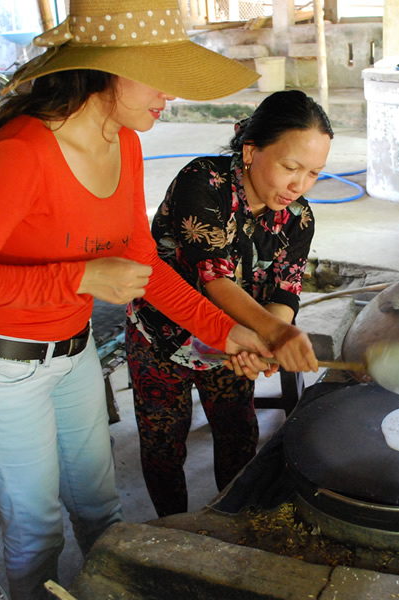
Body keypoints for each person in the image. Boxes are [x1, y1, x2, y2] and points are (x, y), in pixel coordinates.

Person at [0, 1, 316, 598]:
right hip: (3, 369)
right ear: (107, 69)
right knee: (36, 530)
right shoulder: (23, 150)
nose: (172, 97)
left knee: (103, 511)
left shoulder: (125, 144)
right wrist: (78, 279)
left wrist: (224, 331)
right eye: (159, 76)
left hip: (75, 355)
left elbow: (144, 268)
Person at [126, 90, 332, 517]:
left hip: (233, 346)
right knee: (163, 445)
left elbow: (284, 290)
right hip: (163, 339)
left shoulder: (299, 217)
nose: (299, 185)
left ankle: (231, 525)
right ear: (252, 150)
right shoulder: (204, 181)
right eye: (290, 167)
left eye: (313, 173)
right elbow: (213, 280)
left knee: (238, 438)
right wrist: (275, 334)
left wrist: (268, 341)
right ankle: (174, 528)